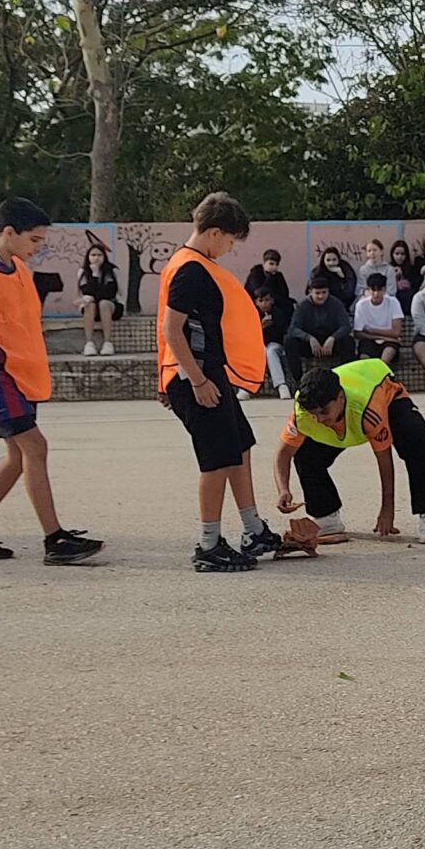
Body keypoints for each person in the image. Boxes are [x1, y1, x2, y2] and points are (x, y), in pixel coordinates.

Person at [0, 198, 104, 566]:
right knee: (35, 447)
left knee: (17, 457)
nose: (38, 247)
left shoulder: (17, 270)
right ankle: (55, 539)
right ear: (8, 233)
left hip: (16, 377)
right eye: (34, 240)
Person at [158, 192, 288, 573]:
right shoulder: (190, 270)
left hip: (208, 372)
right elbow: (171, 329)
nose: (231, 249)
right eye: (231, 240)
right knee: (215, 459)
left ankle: (252, 529)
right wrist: (196, 381)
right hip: (196, 375)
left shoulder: (195, 264)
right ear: (214, 233)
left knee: (239, 444)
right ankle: (209, 544)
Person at [275, 360, 425, 545]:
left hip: (386, 395)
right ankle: (326, 516)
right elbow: (283, 453)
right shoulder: (302, 412)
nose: (319, 419)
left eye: (324, 411)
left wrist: (387, 509)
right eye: (313, 413)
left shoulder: (368, 409)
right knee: (304, 453)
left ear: (340, 398)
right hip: (351, 413)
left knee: (417, 440)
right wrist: (283, 490)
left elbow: (384, 459)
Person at [284, 275, 354, 382]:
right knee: (289, 341)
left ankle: (347, 378)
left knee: (348, 341)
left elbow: (345, 326)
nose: (321, 296)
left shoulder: (336, 304)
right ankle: (298, 380)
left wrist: (333, 338)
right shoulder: (303, 306)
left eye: (324, 292)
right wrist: (309, 338)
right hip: (310, 344)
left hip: (330, 342)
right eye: (317, 293)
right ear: (311, 292)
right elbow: (293, 328)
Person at [247, 276, 294, 400]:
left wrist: (273, 326)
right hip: (259, 345)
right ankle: (246, 387)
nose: (264, 304)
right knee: (258, 352)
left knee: (271, 351)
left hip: (276, 345)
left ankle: (281, 385)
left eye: (267, 300)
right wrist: (261, 327)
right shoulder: (252, 314)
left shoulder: (278, 313)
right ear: (256, 302)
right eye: (261, 301)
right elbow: (249, 335)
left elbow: (283, 332)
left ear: (272, 300)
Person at [71, 243, 119, 357]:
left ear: (104, 256)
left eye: (99, 255)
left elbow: (109, 293)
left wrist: (97, 274)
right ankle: (89, 343)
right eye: (93, 255)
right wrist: (94, 275)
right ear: (88, 257)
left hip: (110, 306)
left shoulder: (112, 271)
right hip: (91, 307)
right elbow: (87, 291)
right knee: (90, 304)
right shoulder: (83, 272)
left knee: (103, 303)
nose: (96, 258)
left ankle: (107, 343)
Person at [352, 271, 405, 366]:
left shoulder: (393, 302)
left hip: (389, 343)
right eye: (373, 290)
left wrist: (371, 330)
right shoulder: (361, 305)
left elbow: (396, 332)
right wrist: (382, 337)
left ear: (384, 289)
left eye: (379, 290)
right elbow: (358, 333)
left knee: (385, 360)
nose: (376, 294)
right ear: (368, 289)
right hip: (369, 341)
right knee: (364, 359)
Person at [388, 239, 421, 312]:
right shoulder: (388, 268)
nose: (399, 257)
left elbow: (415, 285)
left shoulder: (411, 269)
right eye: (397, 254)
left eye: (402, 254)